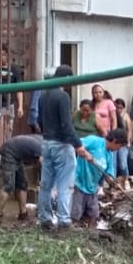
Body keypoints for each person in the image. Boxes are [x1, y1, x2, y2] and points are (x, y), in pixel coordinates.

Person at [36, 65, 89, 232]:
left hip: (46, 143)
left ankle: (45, 219)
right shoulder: (63, 96)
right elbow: (67, 125)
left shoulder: (43, 96)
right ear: (67, 79)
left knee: (46, 184)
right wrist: (78, 145)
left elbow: (39, 120)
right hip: (61, 145)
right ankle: (64, 222)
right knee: (64, 185)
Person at [0, 131, 42, 223]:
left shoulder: (43, 141)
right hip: (8, 152)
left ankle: (23, 214)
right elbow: (44, 164)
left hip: (17, 154)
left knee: (23, 183)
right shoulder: (42, 147)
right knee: (9, 186)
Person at [73, 121, 110, 228]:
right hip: (79, 183)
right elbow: (76, 143)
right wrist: (86, 153)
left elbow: (109, 173)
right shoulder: (94, 141)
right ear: (115, 142)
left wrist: (113, 182)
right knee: (75, 214)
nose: (119, 149)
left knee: (94, 214)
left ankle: (91, 234)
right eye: (119, 146)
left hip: (93, 187)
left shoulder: (109, 154)